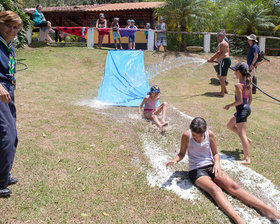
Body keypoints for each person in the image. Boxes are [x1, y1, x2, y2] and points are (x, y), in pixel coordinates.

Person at [166, 117, 280, 224]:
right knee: (215, 190)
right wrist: (175, 160)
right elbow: (181, 153)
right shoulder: (186, 135)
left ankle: (269, 210)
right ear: (191, 131)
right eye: (195, 135)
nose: (197, 138)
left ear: (205, 131)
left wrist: (217, 164)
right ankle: (239, 220)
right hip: (196, 170)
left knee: (234, 187)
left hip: (211, 166)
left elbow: (215, 153)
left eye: (200, 136)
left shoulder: (210, 134)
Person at [0, 11, 23, 197]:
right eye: (9, 26)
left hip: (8, 89)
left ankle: (4, 175)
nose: (12, 30)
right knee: (7, 134)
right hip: (0, 91)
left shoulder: (8, 45)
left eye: (15, 28)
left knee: (12, 135)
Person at [224, 62, 252, 164]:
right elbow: (250, 100)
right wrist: (246, 108)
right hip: (245, 108)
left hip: (241, 109)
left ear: (239, 72)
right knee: (230, 125)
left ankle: (247, 159)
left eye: (235, 70)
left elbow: (239, 101)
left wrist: (229, 105)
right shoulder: (248, 84)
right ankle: (247, 140)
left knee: (242, 134)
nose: (234, 72)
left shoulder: (238, 85)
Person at [208, 32, 231, 97]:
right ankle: (225, 90)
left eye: (218, 37)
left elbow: (218, 53)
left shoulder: (222, 43)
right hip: (224, 61)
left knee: (221, 77)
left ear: (222, 37)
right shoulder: (221, 43)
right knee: (220, 76)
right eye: (217, 37)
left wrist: (211, 59)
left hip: (224, 61)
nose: (217, 38)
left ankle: (222, 93)